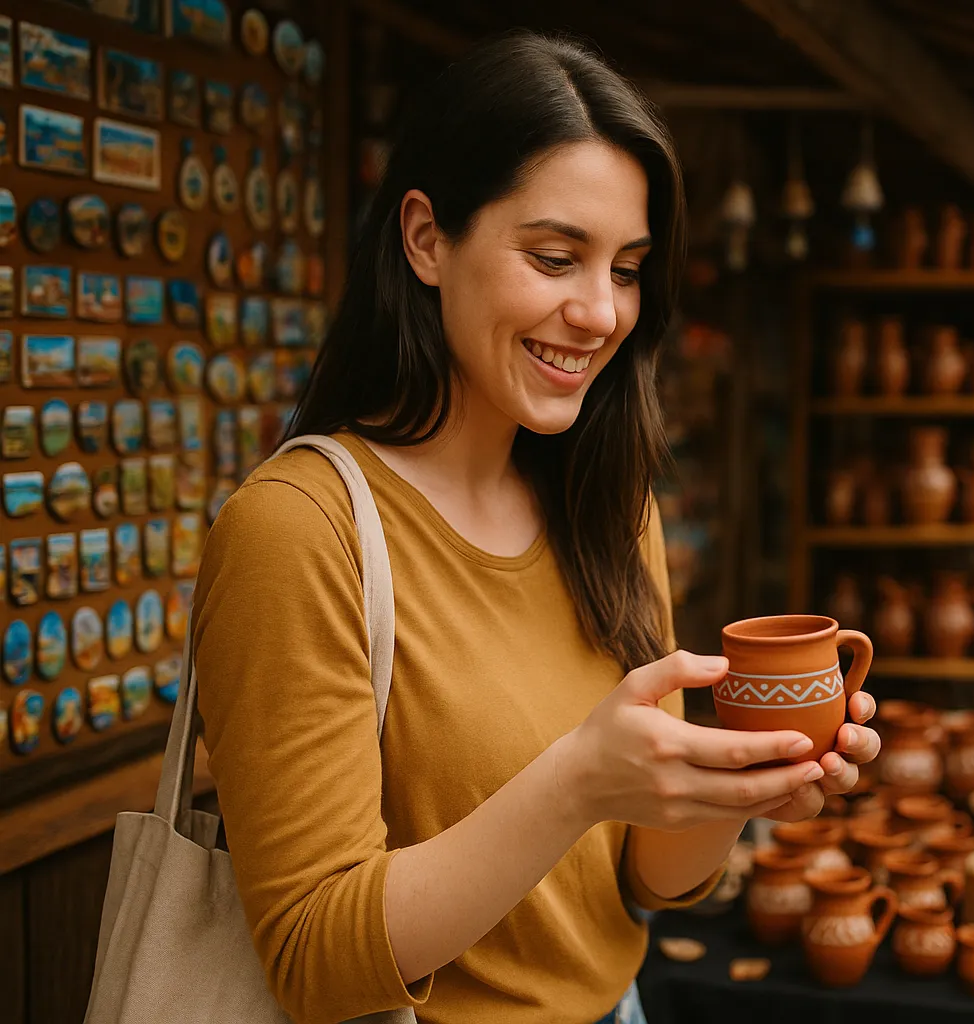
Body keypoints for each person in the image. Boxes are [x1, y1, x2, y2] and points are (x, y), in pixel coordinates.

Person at [192, 33, 880, 1024]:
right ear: (426, 239)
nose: (601, 313)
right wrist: (576, 782)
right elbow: (311, 957)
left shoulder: (611, 504)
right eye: (556, 258)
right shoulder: (298, 531)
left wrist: (742, 785)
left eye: (628, 269)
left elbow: (641, 880)